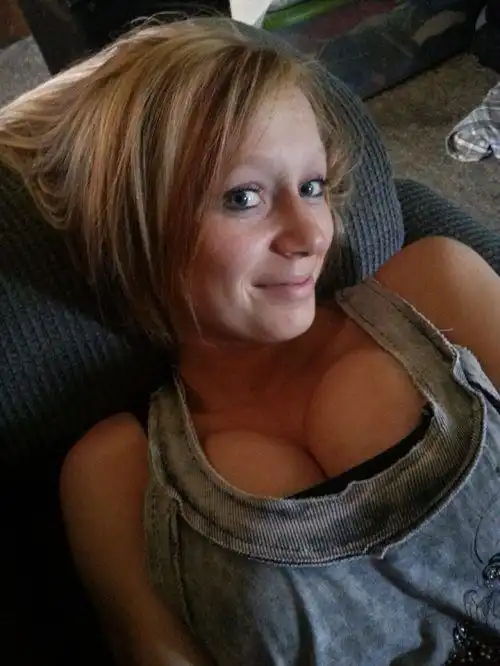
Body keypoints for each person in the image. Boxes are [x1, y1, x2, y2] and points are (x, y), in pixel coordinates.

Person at [1, 15, 500, 666]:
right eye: (244, 197)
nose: (311, 234)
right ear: (136, 225)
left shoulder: (433, 286)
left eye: (312, 187)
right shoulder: (116, 471)